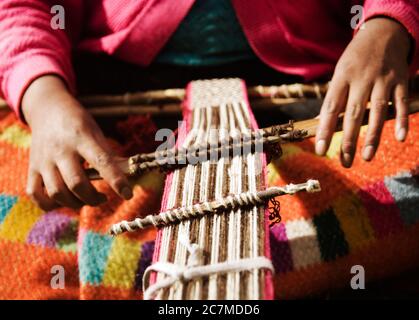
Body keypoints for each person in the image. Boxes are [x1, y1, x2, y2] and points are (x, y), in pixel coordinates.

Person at [0, 0, 417, 211]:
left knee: (403, 185)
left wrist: (388, 24)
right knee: (30, 207)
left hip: (314, 80)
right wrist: (43, 98)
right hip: (107, 88)